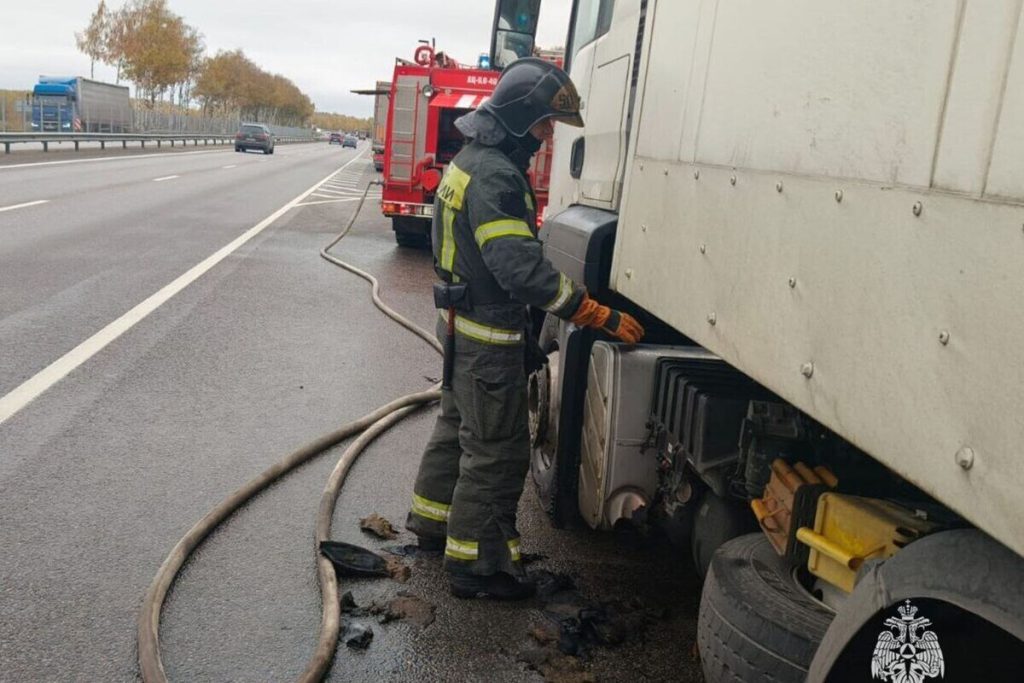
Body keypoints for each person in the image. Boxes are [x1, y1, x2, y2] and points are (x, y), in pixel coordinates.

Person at [406, 58, 645, 600]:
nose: (545, 138)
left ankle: (432, 525)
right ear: (517, 119)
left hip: (459, 325)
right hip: (486, 336)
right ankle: (478, 567)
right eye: (542, 126)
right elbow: (516, 268)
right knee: (496, 449)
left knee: (456, 429)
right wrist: (591, 312)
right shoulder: (496, 175)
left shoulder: (469, 160)